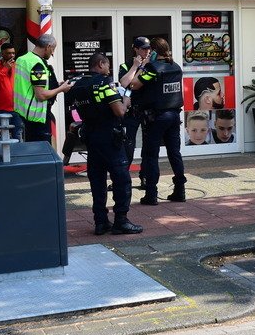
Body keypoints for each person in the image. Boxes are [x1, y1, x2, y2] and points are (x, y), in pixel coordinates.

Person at [67, 52, 142, 236]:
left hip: (91, 138)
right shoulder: (104, 83)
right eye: (107, 66)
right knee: (121, 179)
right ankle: (121, 221)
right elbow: (118, 111)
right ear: (101, 64)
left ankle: (100, 222)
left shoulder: (78, 85)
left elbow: (79, 109)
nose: (108, 70)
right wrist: (125, 100)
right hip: (110, 137)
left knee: (97, 180)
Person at [130, 37, 186, 204]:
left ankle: (151, 194)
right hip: (174, 116)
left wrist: (141, 66)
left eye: (150, 50)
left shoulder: (153, 68)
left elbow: (134, 84)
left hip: (156, 117)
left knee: (151, 155)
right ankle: (180, 191)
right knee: (174, 153)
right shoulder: (175, 67)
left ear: (154, 51)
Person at [14, 33, 73, 143]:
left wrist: (56, 85)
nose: (52, 53)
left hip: (23, 113)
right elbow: (41, 95)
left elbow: (27, 83)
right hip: (37, 116)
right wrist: (61, 89)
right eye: (53, 49)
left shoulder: (22, 59)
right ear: (48, 47)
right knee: (42, 153)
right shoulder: (38, 65)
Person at [117, 36, 152, 188]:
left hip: (147, 111)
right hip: (131, 112)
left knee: (148, 147)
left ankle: (145, 177)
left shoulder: (152, 65)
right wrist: (136, 67)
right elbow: (125, 84)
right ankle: (122, 178)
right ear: (136, 49)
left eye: (148, 48)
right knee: (127, 146)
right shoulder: (125, 66)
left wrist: (145, 66)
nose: (147, 51)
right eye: (143, 48)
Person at [0, 42, 22, 140]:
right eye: (9, 53)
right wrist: (4, 69)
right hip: (2, 109)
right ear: (2, 54)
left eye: (13, 53)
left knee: (18, 135)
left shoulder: (17, 65)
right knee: (2, 136)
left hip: (17, 108)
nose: (12, 55)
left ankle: (17, 155)